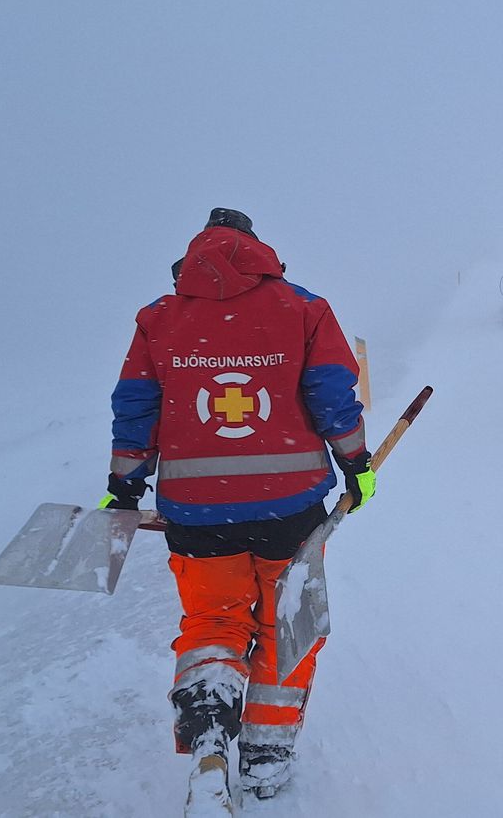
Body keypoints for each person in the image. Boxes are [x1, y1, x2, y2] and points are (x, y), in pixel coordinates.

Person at [102, 207, 374, 803]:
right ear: (259, 250)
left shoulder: (160, 318)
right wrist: (357, 465)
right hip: (291, 511)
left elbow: (136, 406)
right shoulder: (303, 308)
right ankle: (266, 758)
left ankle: (207, 740)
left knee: (214, 621)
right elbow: (332, 394)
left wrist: (125, 485)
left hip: (196, 514)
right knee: (287, 628)